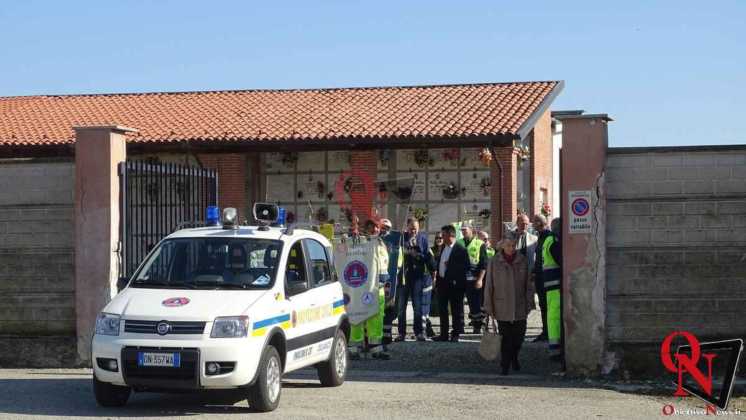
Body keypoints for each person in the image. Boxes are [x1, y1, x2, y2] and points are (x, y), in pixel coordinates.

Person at [483, 230, 535, 375]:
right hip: (501, 305)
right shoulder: (495, 261)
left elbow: (529, 284)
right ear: (502, 246)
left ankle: (514, 357)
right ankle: (505, 365)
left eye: (513, 245)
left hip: (519, 305)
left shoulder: (522, 260)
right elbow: (489, 285)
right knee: (506, 338)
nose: (511, 248)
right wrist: (488, 306)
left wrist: (530, 302)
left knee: (519, 337)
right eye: (508, 245)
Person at [348, 219, 390, 359]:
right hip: (362, 288)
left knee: (376, 319)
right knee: (358, 316)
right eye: (372, 228)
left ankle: (375, 348)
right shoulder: (360, 243)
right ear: (366, 229)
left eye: (377, 228)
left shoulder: (381, 243)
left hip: (379, 289)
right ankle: (354, 348)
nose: (375, 231)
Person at [433, 224, 470, 342]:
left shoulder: (460, 249)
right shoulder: (443, 247)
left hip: (455, 285)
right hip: (442, 283)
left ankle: (455, 334)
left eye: (443, 235)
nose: (441, 237)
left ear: (450, 235)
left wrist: (451, 266)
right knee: (442, 310)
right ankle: (444, 334)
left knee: (456, 310)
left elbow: (466, 266)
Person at [398, 218, 430, 341]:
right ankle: (401, 333)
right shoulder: (401, 238)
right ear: (407, 227)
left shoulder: (423, 239)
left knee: (417, 306)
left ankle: (419, 333)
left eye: (416, 229)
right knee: (401, 307)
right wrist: (406, 251)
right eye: (411, 228)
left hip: (417, 277)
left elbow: (427, 257)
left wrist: (417, 255)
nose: (413, 231)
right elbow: (396, 252)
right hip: (403, 277)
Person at [457, 223, 488, 334]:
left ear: (471, 230)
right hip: (461, 277)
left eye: (465, 230)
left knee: (475, 304)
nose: (463, 232)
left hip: (474, 278)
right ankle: (459, 326)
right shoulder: (459, 243)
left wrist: (480, 279)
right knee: (459, 303)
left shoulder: (479, 244)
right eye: (462, 230)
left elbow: (484, 264)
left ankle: (477, 326)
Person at [379, 218, 403, 347]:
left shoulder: (395, 243)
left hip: (392, 280)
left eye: (387, 228)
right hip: (377, 280)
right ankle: (379, 335)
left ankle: (387, 335)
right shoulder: (375, 241)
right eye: (382, 227)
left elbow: (399, 261)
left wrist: (396, 273)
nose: (384, 230)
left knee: (391, 308)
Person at [542, 218, 562, 361]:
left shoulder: (547, 240)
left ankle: (554, 346)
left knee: (552, 315)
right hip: (556, 285)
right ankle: (555, 348)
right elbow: (561, 261)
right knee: (554, 317)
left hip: (550, 285)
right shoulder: (553, 241)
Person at [531, 215, 551, 342]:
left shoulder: (548, 237)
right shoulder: (541, 237)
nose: (532, 225)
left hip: (547, 279)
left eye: (533, 222)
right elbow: (538, 259)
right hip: (540, 278)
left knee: (547, 307)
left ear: (539, 223)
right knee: (543, 306)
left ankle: (548, 332)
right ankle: (545, 331)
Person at [426, 232, 446, 338]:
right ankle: (428, 328)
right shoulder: (431, 250)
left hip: (443, 280)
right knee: (428, 306)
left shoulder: (446, 250)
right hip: (432, 280)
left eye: (441, 238)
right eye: (437, 238)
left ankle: (444, 331)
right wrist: (433, 278)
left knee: (443, 307)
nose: (439, 239)